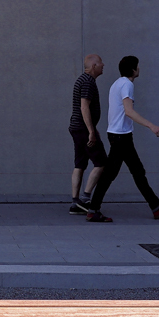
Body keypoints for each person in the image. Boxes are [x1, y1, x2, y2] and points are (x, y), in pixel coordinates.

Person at [86, 55, 159, 223]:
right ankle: (93, 210)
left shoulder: (117, 83)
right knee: (114, 174)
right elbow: (129, 111)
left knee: (135, 172)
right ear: (133, 69)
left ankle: (156, 207)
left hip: (118, 135)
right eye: (137, 66)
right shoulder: (127, 84)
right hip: (121, 136)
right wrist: (151, 126)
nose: (139, 68)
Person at [68, 54, 107, 214]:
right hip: (83, 129)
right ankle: (85, 199)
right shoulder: (88, 82)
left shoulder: (83, 80)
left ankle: (75, 203)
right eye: (101, 63)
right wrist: (91, 131)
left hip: (77, 128)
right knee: (101, 162)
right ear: (94, 66)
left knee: (80, 164)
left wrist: (92, 129)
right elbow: (84, 107)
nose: (103, 65)